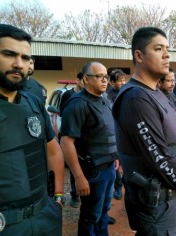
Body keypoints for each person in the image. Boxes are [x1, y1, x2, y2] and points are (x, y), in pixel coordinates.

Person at [112, 26, 176, 235]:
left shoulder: (157, 93)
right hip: (157, 205)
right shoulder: (136, 98)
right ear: (139, 55)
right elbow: (158, 155)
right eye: (158, 48)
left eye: (167, 48)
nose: (167, 54)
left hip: (172, 195)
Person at [0, 24, 64, 235]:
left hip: (45, 216)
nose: (18, 64)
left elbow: (52, 149)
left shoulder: (33, 103)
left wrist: (58, 197)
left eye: (25, 58)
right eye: (9, 54)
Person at [60, 61, 119, 235]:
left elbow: (108, 130)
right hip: (92, 172)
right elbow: (66, 142)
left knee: (103, 211)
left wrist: (114, 157)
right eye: (99, 76)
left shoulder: (104, 100)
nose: (105, 81)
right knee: (90, 215)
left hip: (109, 167)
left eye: (106, 77)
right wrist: (79, 177)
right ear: (86, 79)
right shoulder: (77, 104)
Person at [57, 72, 85, 209]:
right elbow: (63, 114)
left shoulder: (90, 95)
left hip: (86, 138)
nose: (86, 81)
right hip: (73, 135)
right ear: (78, 80)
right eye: (83, 79)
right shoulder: (67, 95)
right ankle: (74, 195)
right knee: (75, 166)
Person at [106, 69, 126, 200]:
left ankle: (125, 183)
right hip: (113, 134)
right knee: (115, 162)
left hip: (126, 133)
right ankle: (118, 186)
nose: (124, 83)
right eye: (120, 81)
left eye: (125, 80)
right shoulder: (107, 97)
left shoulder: (126, 93)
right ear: (112, 82)